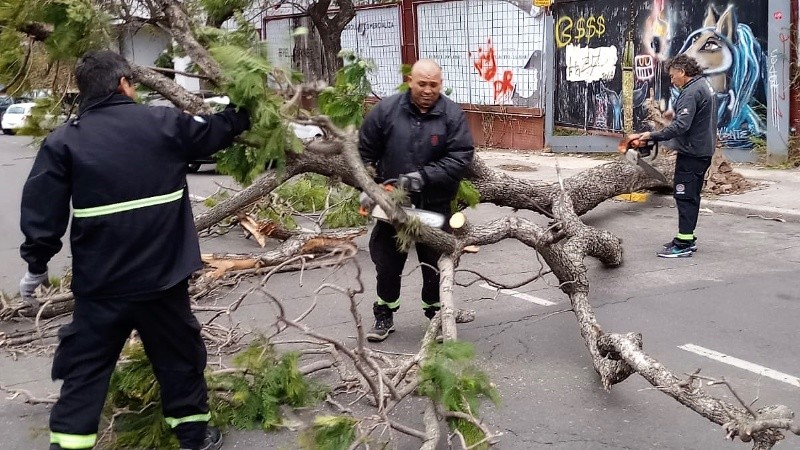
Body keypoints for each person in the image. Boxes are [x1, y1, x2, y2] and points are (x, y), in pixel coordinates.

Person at [18, 50, 250, 450]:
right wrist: (247, 97)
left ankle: (69, 444)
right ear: (125, 84)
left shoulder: (64, 141)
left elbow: (43, 210)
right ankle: (194, 437)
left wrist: (36, 265)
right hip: (164, 281)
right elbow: (221, 129)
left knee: (85, 369)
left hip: (101, 287)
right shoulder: (163, 124)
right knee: (179, 360)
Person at [358, 59, 474, 342]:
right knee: (386, 264)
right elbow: (364, 150)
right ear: (410, 80)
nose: (427, 90)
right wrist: (372, 186)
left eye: (433, 85)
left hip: (433, 205)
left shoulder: (451, 115)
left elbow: (461, 157)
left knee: (434, 266)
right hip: (392, 207)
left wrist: (421, 177)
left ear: (440, 85)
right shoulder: (386, 110)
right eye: (422, 83)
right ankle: (383, 313)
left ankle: (435, 316)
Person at [627, 54, 716, 258]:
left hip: (692, 153)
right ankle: (686, 237)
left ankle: (683, 245)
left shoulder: (691, 91)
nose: (671, 79)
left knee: (684, 196)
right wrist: (673, 114)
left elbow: (682, 125)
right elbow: (693, 116)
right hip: (702, 150)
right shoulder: (703, 85)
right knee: (691, 196)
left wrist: (653, 135)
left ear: (682, 72)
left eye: (672, 75)